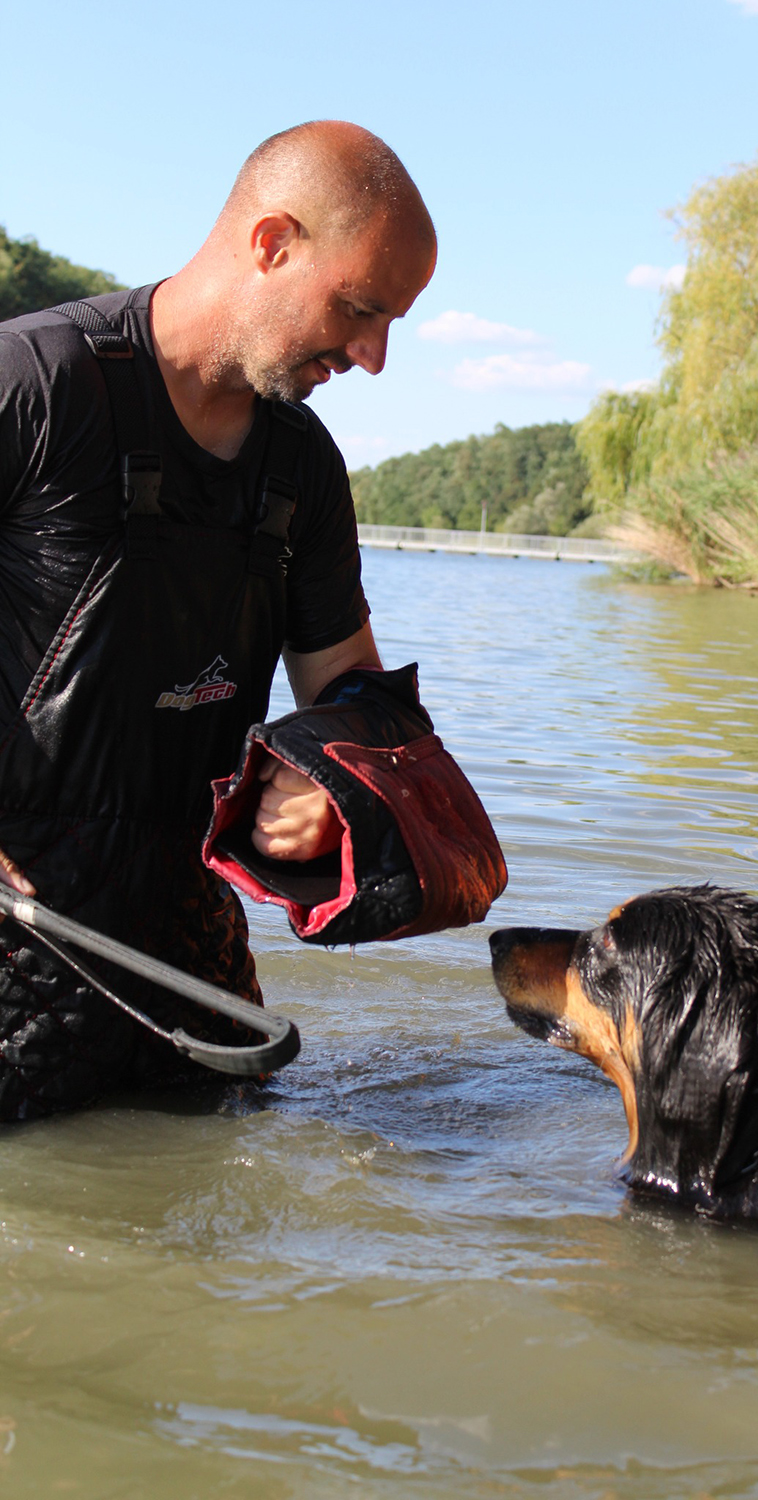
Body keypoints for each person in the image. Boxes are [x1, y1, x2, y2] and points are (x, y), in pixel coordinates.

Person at [0, 121, 437, 1119]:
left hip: (189, 953)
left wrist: (330, 777)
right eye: (361, 309)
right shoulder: (31, 386)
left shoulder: (305, 467)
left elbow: (355, 694)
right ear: (272, 242)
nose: (373, 356)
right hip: (14, 923)